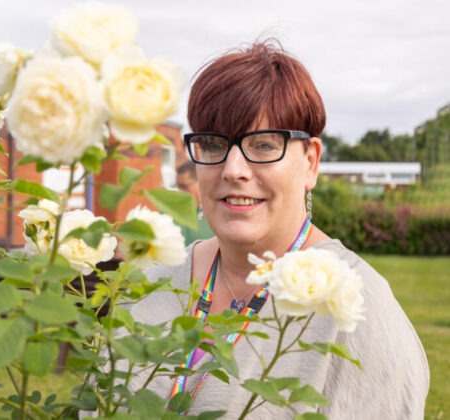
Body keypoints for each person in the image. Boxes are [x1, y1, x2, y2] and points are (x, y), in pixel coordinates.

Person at [128, 41, 429, 419]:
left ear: (311, 162)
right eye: (213, 144)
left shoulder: (357, 309)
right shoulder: (149, 285)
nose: (233, 169)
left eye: (264, 144)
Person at [176, 160, 215, 245]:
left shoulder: (217, 215)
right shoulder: (170, 213)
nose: (180, 192)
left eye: (185, 186)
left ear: (201, 183)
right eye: (178, 187)